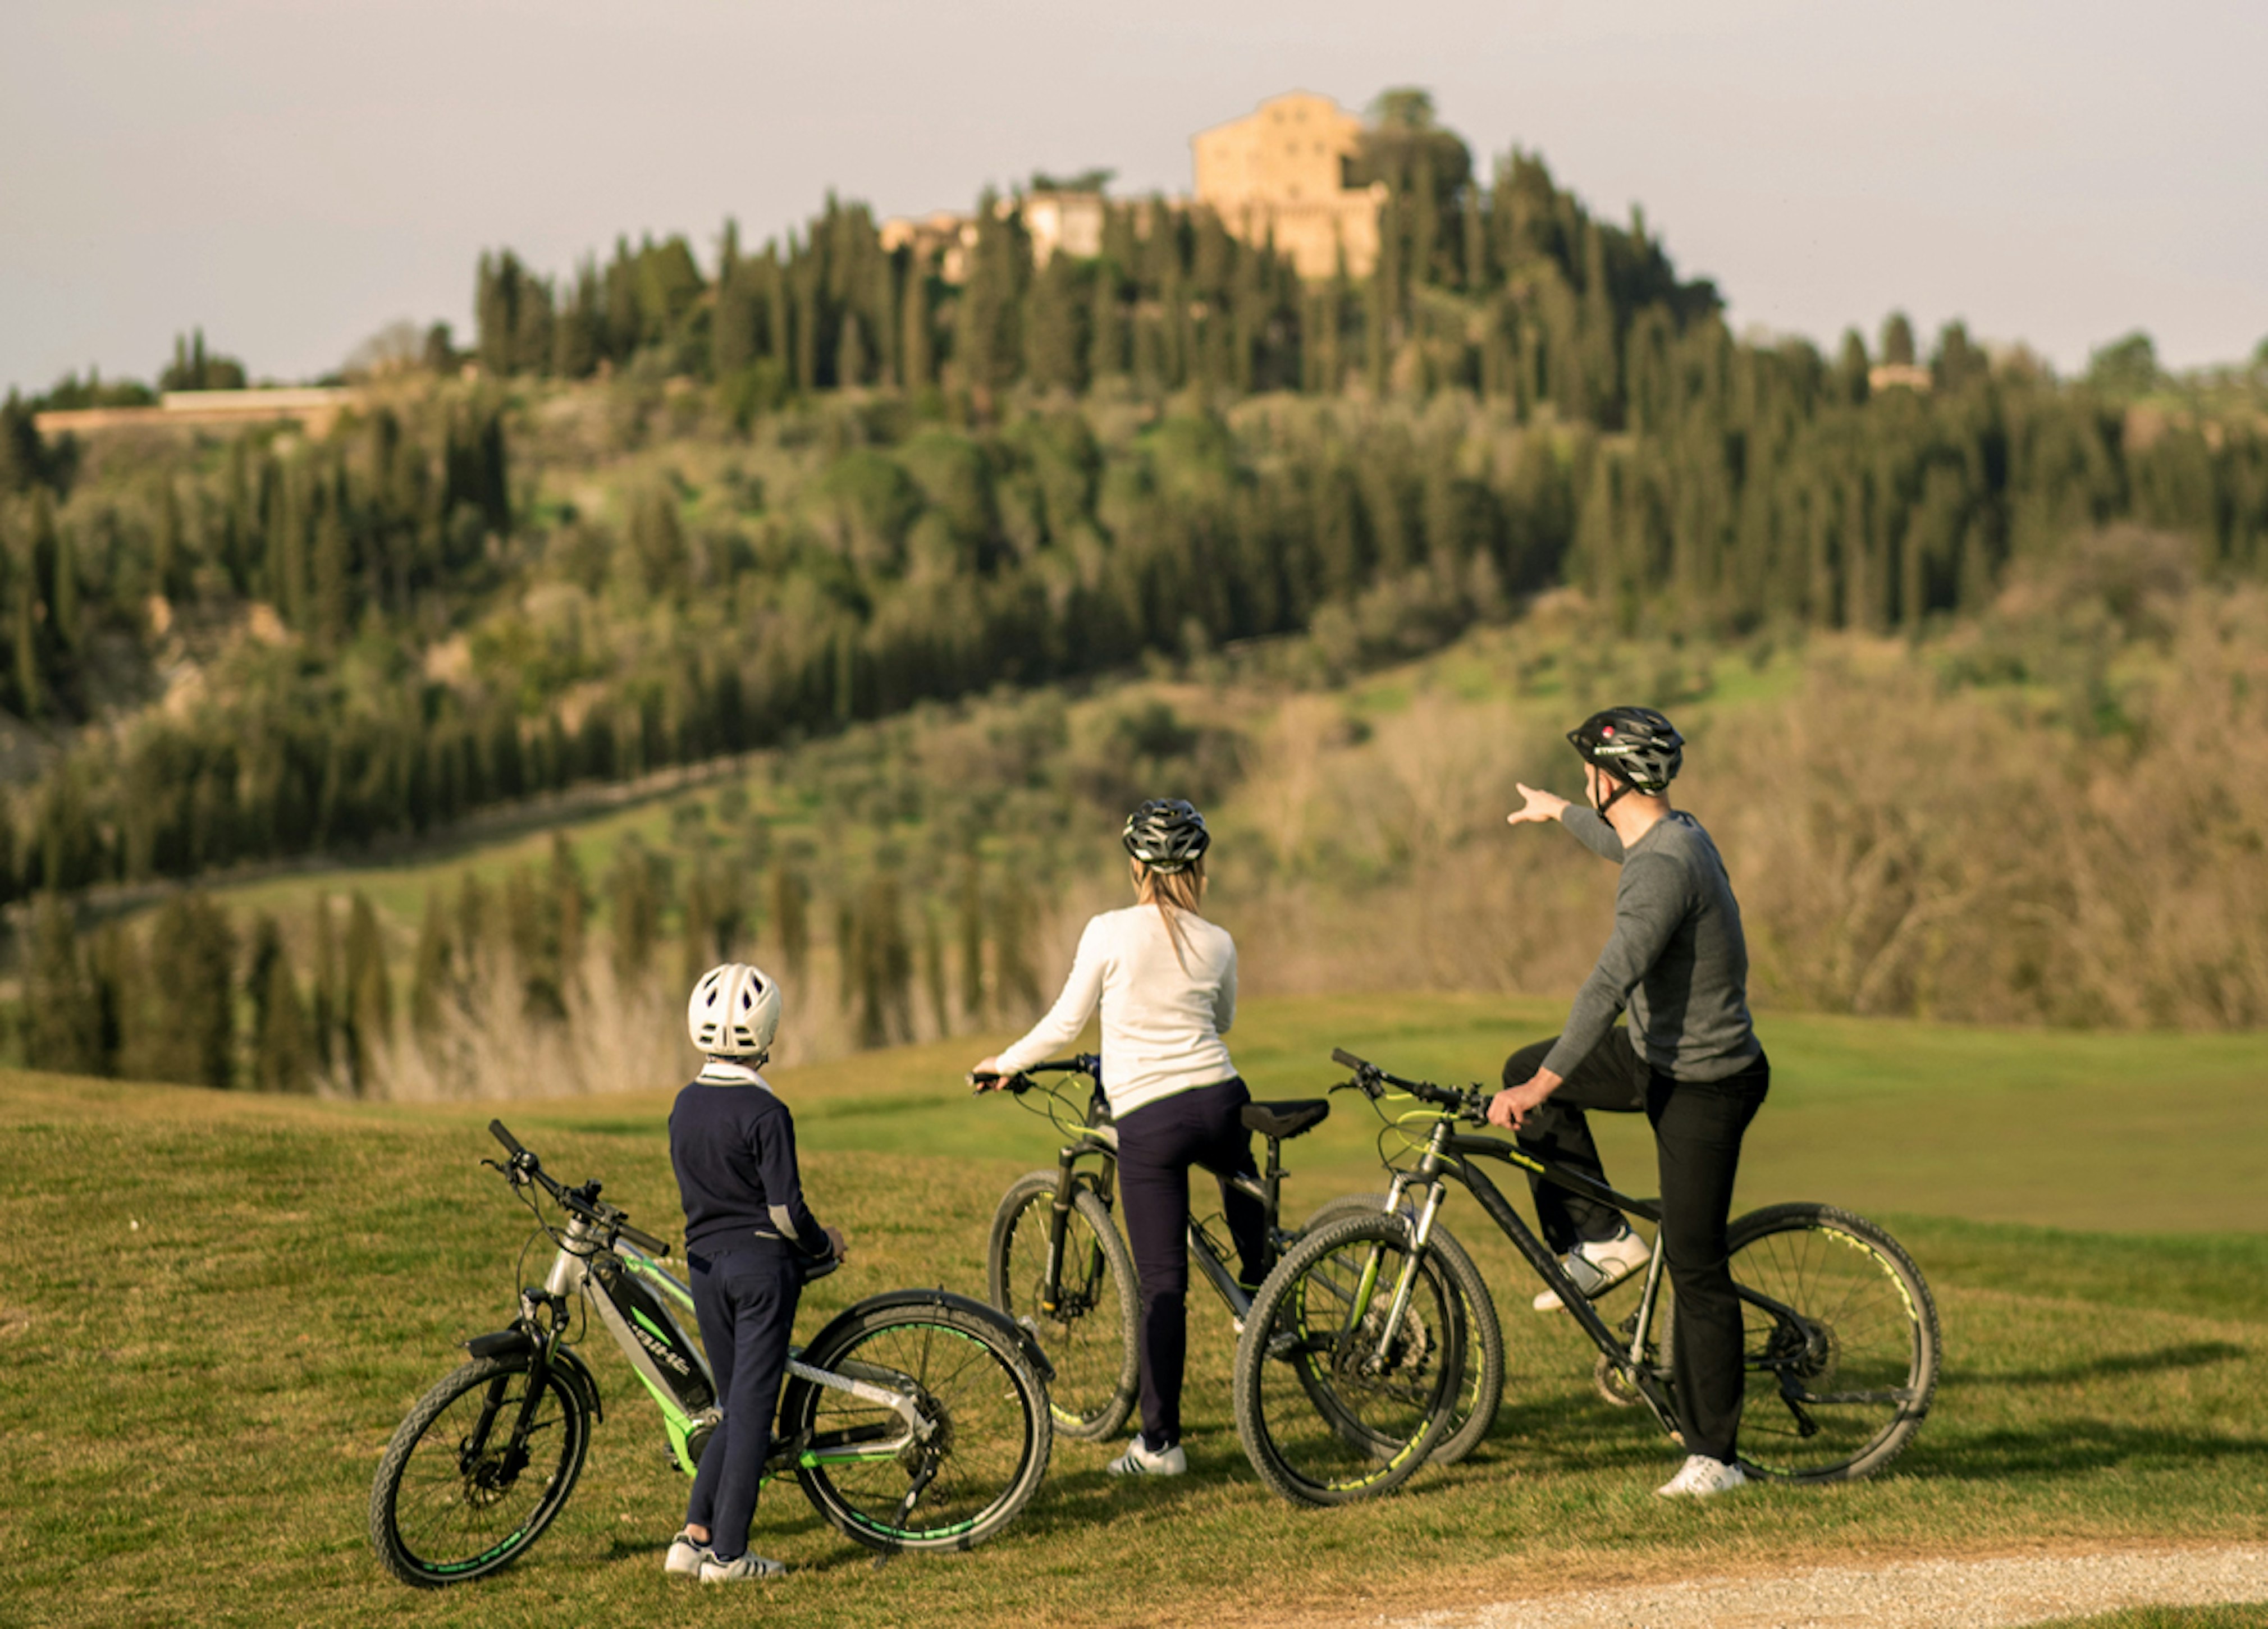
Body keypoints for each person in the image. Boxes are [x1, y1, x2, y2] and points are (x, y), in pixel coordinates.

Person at [1487, 707, 1769, 1500]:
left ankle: (1717, 1455)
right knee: (1528, 1061)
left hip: (1704, 1082)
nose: (1586, 780)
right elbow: (1620, 838)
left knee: (1696, 1263)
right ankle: (1605, 1240)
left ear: (1614, 778)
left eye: (1588, 774)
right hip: (1658, 1057)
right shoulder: (1675, 832)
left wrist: (1539, 1090)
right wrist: (1558, 812)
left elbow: (1608, 985)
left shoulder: (1664, 869)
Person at [972, 799, 1262, 1478]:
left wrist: (1004, 1062)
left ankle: (1160, 1445)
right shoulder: (1217, 940)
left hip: (1150, 1119)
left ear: (1135, 866)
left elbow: (1063, 1025)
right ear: (1198, 867)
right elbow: (1221, 1020)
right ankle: (1261, 1290)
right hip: (1221, 1098)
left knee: (1163, 1284)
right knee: (1238, 1171)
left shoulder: (1107, 931)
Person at [662, 963, 849, 1582]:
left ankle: (693, 1535)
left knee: (730, 1403)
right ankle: (729, 1555)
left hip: (704, 1271)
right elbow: (784, 1211)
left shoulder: (683, 1106)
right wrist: (825, 1245)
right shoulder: (768, 1113)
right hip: (761, 1274)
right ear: (768, 1031)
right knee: (751, 1411)